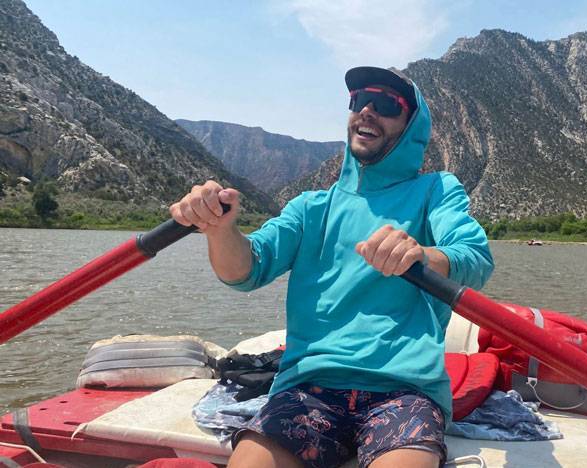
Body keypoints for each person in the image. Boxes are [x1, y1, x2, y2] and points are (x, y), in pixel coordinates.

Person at [171, 66, 494, 468]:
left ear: (411, 125)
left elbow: (476, 258)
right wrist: (220, 230)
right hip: (308, 389)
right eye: (359, 101)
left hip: (405, 392)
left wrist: (423, 255)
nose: (368, 112)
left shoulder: (436, 190)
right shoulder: (310, 208)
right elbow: (245, 270)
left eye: (387, 105)